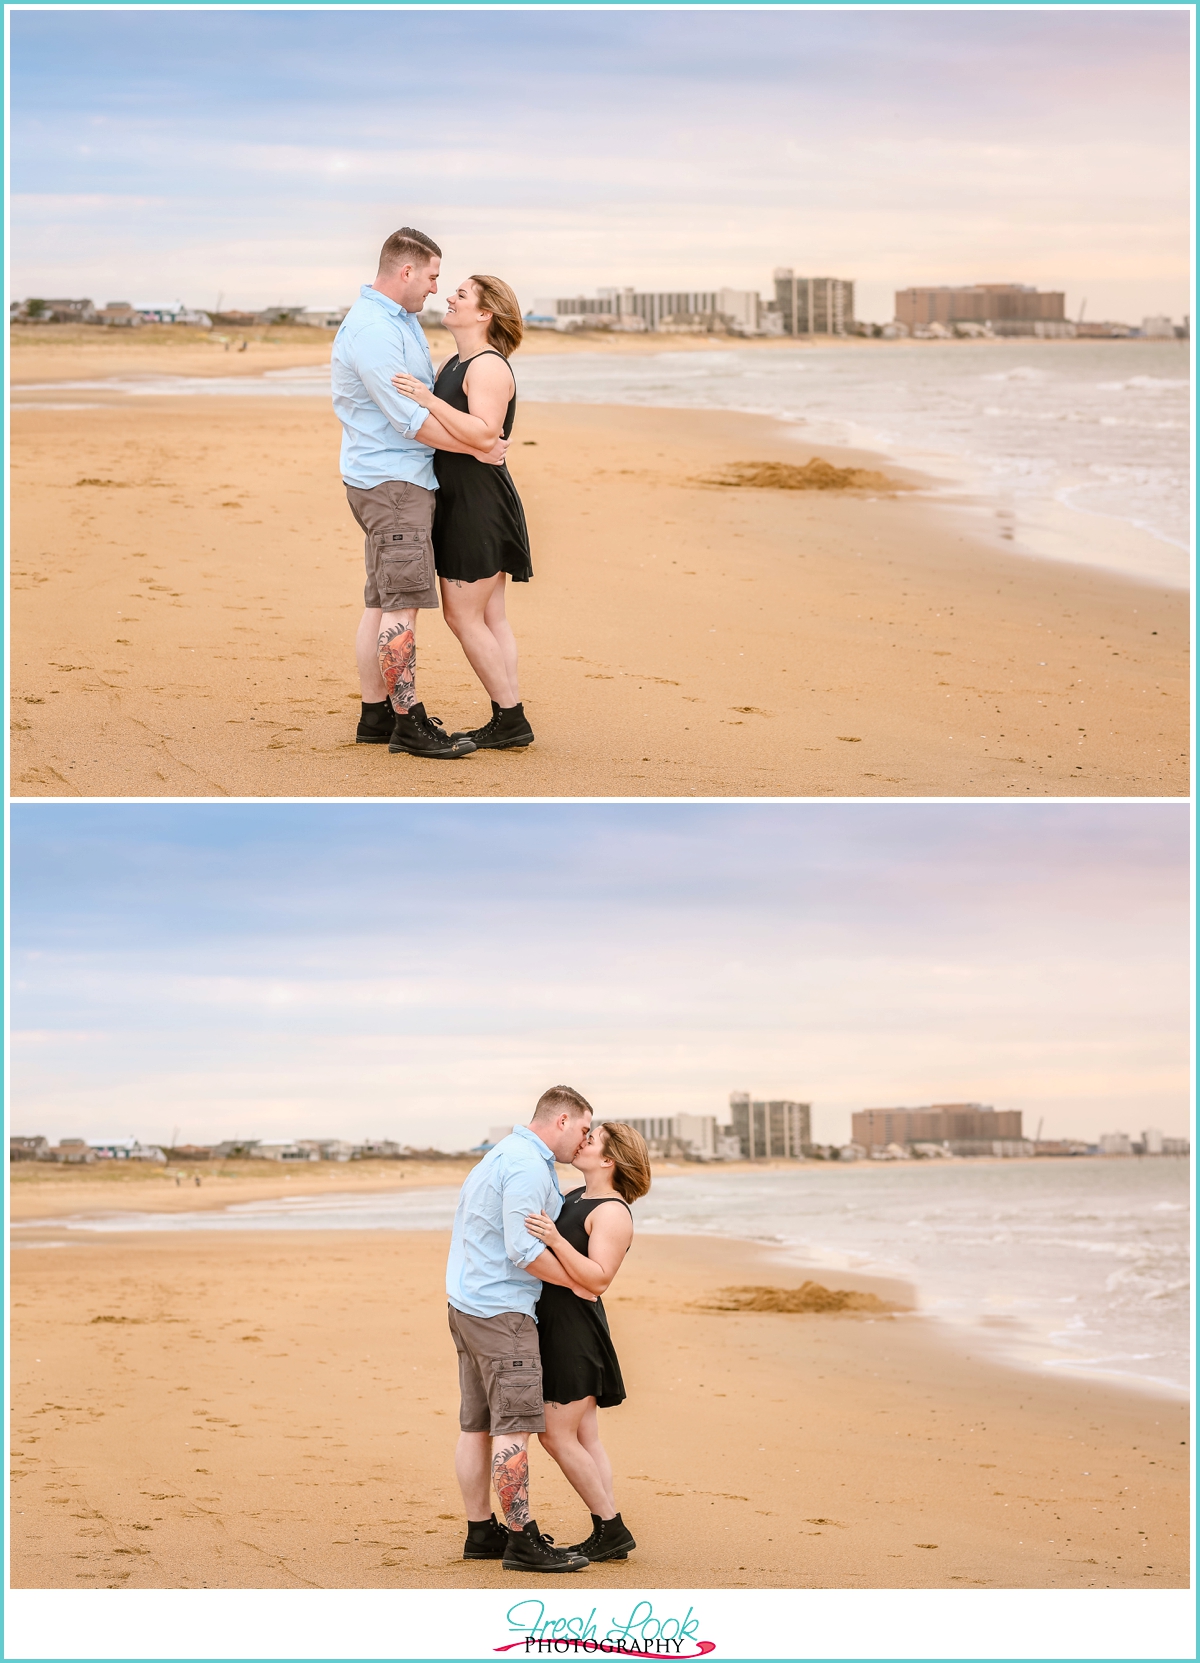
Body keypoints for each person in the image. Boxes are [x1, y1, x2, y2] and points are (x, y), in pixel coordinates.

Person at [331, 227, 510, 759]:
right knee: (402, 606)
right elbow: (408, 419)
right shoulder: (373, 331)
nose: (436, 289)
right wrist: (474, 449)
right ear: (406, 271)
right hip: (394, 483)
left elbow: (422, 402)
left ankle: (375, 715)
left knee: (382, 601)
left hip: (389, 479)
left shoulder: (399, 320)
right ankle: (409, 722)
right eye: (433, 277)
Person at [445, 1086, 597, 1573]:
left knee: (477, 1427)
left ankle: (481, 1532)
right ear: (562, 1121)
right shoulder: (529, 1166)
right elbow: (523, 1250)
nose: (585, 1139)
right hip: (502, 1314)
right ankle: (521, 1540)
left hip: (468, 1305)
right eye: (584, 1128)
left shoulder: (502, 1155)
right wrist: (577, 1282)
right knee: (515, 1429)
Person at [391, 275, 534, 751]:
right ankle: (508, 716)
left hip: (477, 503)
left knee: (463, 617)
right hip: (470, 497)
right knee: (491, 617)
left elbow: (484, 433)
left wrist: (427, 399)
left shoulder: (488, 367)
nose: (448, 298)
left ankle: (511, 718)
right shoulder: (459, 361)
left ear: (484, 314)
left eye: (461, 295)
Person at [524, 1121, 650, 1563]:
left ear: (608, 1160)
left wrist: (555, 1239)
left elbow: (598, 1280)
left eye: (590, 1139)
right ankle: (606, 1529)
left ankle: (611, 1528)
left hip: (575, 1330)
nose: (582, 1142)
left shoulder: (612, 1211)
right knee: (585, 1435)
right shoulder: (578, 1197)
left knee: (555, 1436)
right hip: (559, 1321)